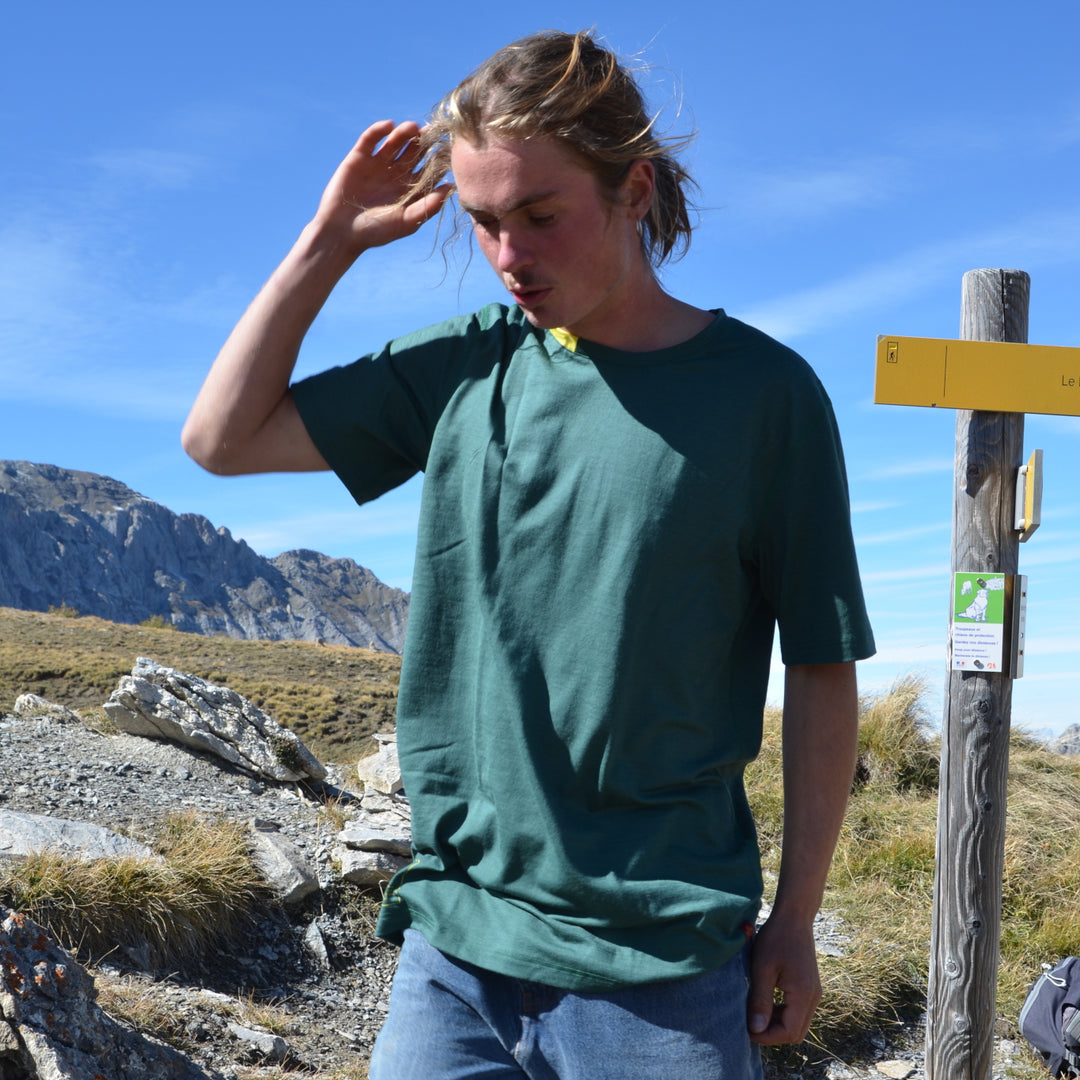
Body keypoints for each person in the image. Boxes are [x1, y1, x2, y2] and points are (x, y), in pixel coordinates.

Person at [183, 29, 875, 1080]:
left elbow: (823, 666)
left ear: (634, 189)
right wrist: (331, 237)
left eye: (541, 216)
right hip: (454, 952)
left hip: (663, 966)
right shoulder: (468, 368)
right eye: (484, 223)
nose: (510, 257)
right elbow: (220, 439)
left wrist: (796, 918)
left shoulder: (766, 397)